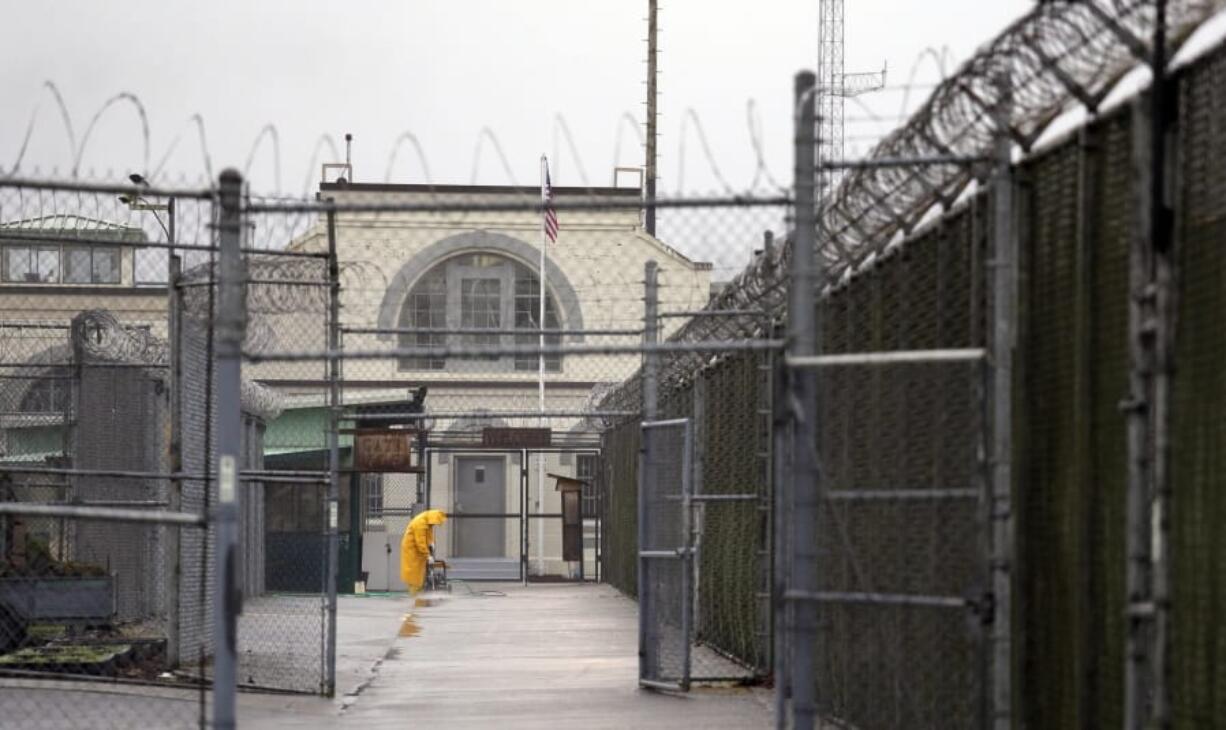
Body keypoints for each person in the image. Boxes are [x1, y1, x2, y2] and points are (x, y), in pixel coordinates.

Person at [399, 509, 447, 593]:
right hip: (412, 551)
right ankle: (415, 598)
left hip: (419, 551)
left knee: (420, 575)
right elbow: (420, 542)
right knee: (414, 577)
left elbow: (429, 535)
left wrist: (431, 543)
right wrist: (428, 555)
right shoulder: (420, 523)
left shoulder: (428, 522)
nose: (434, 525)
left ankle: (420, 596)